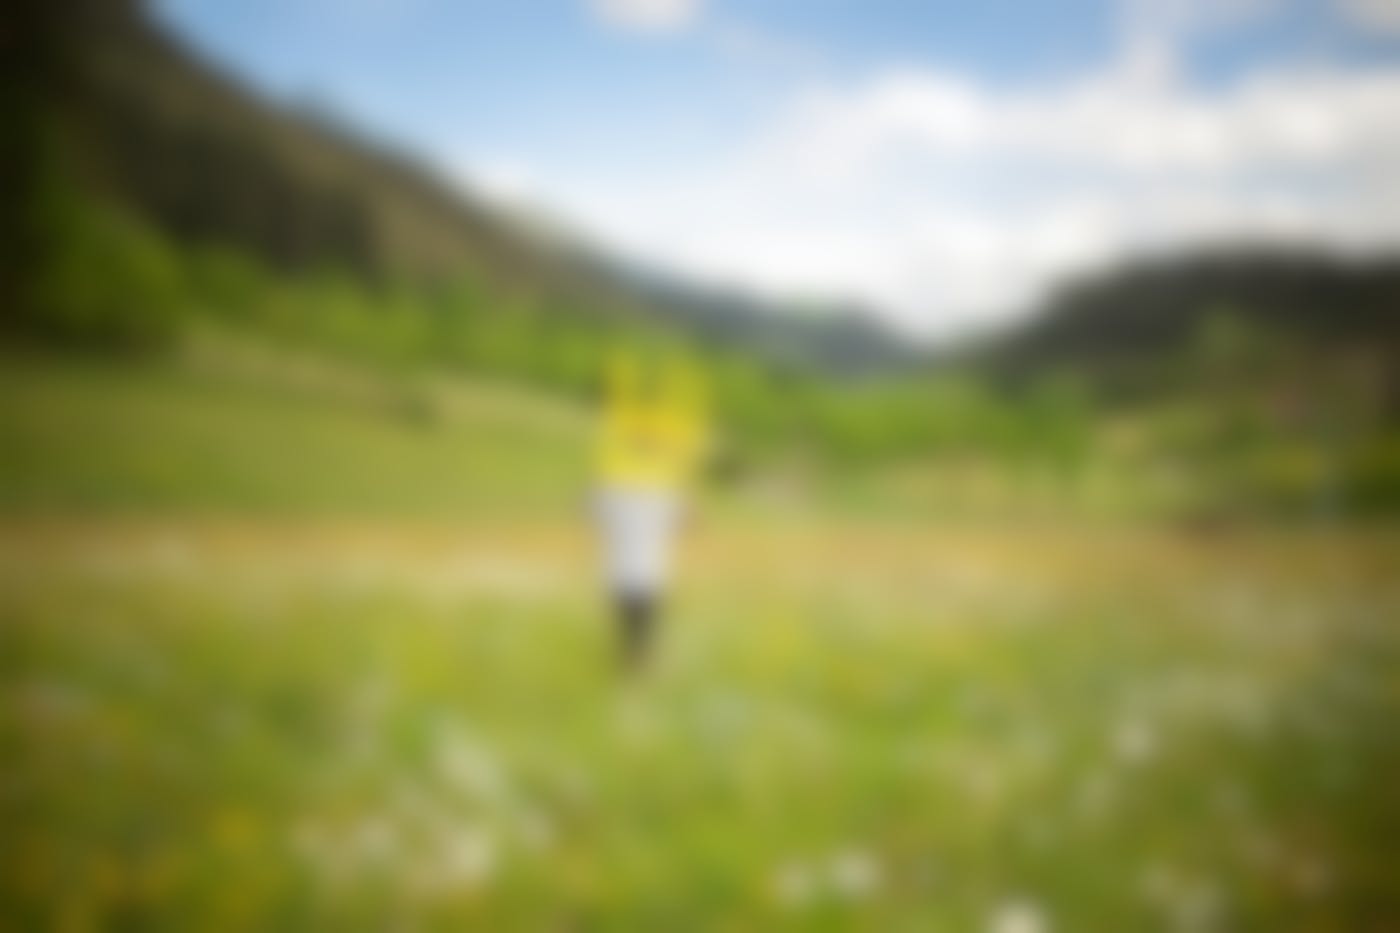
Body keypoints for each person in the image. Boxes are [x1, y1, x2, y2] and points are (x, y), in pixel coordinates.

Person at [593, 351, 707, 672]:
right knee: (641, 624)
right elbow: (693, 521)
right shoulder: (659, 487)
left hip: (624, 572)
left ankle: (634, 666)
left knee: (629, 623)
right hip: (647, 573)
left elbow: (590, 510)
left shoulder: (617, 483)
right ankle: (639, 667)